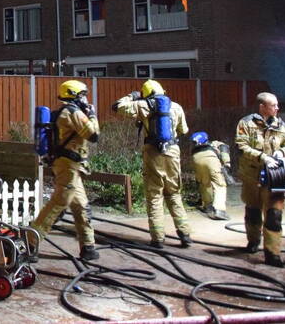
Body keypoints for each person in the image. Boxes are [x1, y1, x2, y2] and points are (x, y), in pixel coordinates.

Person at [112, 79, 192, 249]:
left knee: (155, 196)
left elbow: (117, 106)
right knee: (174, 193)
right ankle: (185, 234)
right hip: (172, 152)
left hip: (153, 153)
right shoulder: (176, 107)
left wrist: (132, 96)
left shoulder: (142, 105)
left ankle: (158, 239)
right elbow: (183, 130)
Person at [30, 79, 101, 261]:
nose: (85, 99)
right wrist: (92, 114)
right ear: (73, 95)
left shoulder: (67, 111)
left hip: (71, 166)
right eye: (83, 95)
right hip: (68, 165)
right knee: (58, 203)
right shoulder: (72, 112)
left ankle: (88, 247)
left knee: (81, 206)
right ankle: (29, 243)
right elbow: (93, 135)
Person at [235, 91, 285, 268]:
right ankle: (253, 241)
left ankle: (272, 253)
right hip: (252, 176)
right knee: (253, 211)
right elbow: (241, 145)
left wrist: (282, 152)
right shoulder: (246, 123)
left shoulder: (282, 126)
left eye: (277, 105)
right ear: (262, 107)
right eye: (273, 105)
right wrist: (262, 157)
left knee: (274, 215)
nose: (277, 108)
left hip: (275, 175)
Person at [189, 131, 232, 221]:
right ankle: (219, 210)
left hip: (196, 159)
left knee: (204, 184)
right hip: (211, 158)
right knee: (220, 185)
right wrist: (227, 164)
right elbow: (224, 149)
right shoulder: (214, 143)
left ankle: (208, 206)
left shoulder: (194, 149)